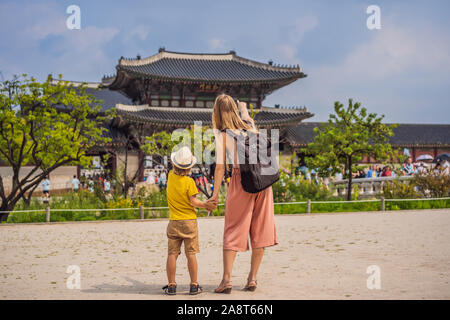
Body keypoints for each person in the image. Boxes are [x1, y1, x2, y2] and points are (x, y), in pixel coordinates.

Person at [206, 95, 278, 294]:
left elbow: (220, 168)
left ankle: (226, 280)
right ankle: (252, 278)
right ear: (235, 111)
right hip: (263, 182)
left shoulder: (223, 135)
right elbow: (246, 114)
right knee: (261, 229)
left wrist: (214, 194)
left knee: (233, 229)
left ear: (218, 112)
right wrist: (243, 107)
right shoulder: (250, 126)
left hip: (240, 181)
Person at [163, 146, 215, 296]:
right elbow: (193, 201)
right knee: (191, 254)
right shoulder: (189, 182)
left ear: (174, 164)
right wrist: (205, 205)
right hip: (189, 222)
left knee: (172, 254)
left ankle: (172, 285)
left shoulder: (170, 177)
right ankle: (193, 285)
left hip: (174, 221)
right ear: (189, 167)